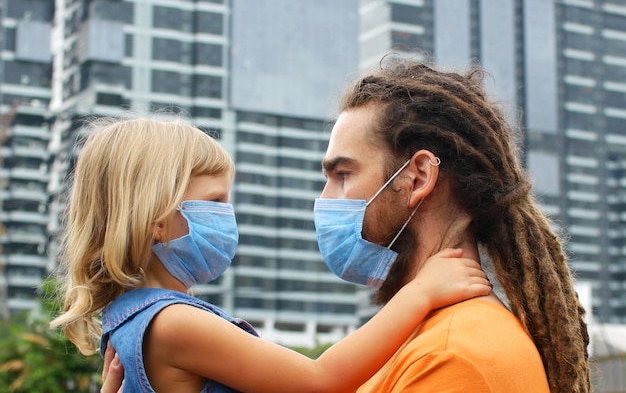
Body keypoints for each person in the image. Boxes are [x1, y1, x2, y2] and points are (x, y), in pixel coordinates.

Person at [101, 58, 591, 392]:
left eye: (342, 174)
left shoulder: (454, 358)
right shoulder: (419, 341)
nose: (324, 201)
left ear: (417, 177)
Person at [50, 118, 491, 393]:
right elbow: (320, 381)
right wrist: (420, 294)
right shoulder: (174, 323)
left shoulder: (127, 318)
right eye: (216, 201)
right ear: (156, 221)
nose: (228, 216)